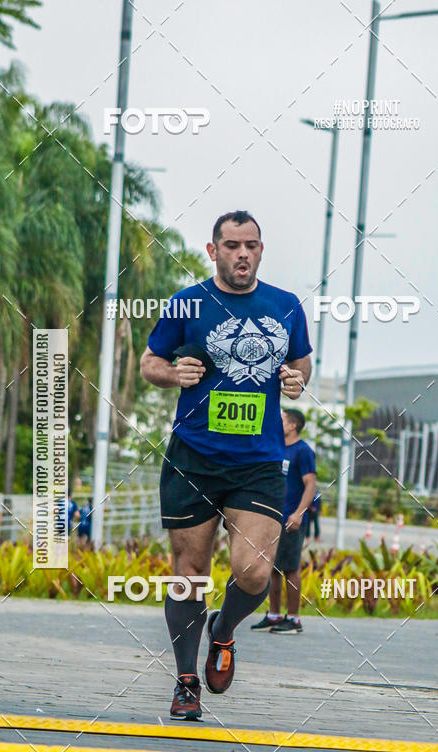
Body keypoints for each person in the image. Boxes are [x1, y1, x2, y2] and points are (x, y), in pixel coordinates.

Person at [140, 210, 312, 720]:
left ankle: (223, 630)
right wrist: (175, 374)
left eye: (252, 245)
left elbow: (301, 363)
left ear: (261, 250)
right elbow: (150, 362)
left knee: (254, 572)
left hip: (258, 461)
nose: (243, 254)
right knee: (189, 573)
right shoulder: (187, 302)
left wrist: (297, 382)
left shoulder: (285, 306)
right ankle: (186, 680)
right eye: (232, 245)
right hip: (194, 457)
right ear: (213, 251)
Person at [251, 409, 316, 634]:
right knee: (273, 568)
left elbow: (310, 484)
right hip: (274, 517)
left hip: (292, 519)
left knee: (290, 568)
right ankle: (274, 615)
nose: (278, 422)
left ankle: (294, 619)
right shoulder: (277, 448)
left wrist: (299, 513)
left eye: (283, 420)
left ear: (292, 426)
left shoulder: (303, 451)